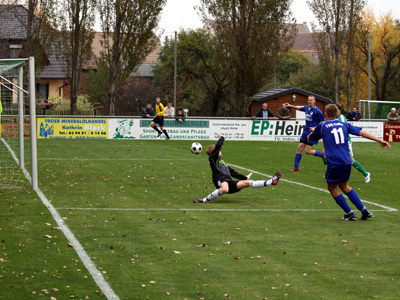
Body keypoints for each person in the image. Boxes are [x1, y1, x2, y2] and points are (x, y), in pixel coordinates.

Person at [308, 104, 390, 221]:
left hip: (335, 162)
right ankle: (364, 210)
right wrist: (379, 140)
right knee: (344, 185)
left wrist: (312, 132)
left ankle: (350, 213)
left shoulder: (322, 125)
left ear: (325, 114)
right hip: (347, 160)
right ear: (337, 113)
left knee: (332, 188)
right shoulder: (344, 124)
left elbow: (310, 139)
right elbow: (361, 133)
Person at [193, 134, 281, 203]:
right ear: (216, 152)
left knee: (248, 182)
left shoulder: (221, 162)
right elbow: (219, 145)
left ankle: (272, 181)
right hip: (220, 179)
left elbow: (233, 172)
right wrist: (222, 137)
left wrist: (244, 178)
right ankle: (203, 200)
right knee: (224, 189)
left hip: (228, 181)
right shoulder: (213, 158)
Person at [285, 95, 325, 172]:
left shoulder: (317, 111)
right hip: (306, 131)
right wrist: (290, 105)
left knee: (307, 151)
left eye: (311, 100)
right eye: (309, 100)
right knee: (299, 147)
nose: (309, 101)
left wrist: (315, 128)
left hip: (313, 132)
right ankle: (296, 167)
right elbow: (299, 108)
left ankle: (322, 155)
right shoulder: (307, 107)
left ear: (314, 101)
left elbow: (322, 122)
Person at [336, 103, 370, 183]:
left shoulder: (341, 118)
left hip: (345, 142)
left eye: (336, 110)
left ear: (339, 111)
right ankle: (335, 174)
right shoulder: (336, 117)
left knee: (350, 160)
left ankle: (366, 174)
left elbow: (343, 130)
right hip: (340, 142)